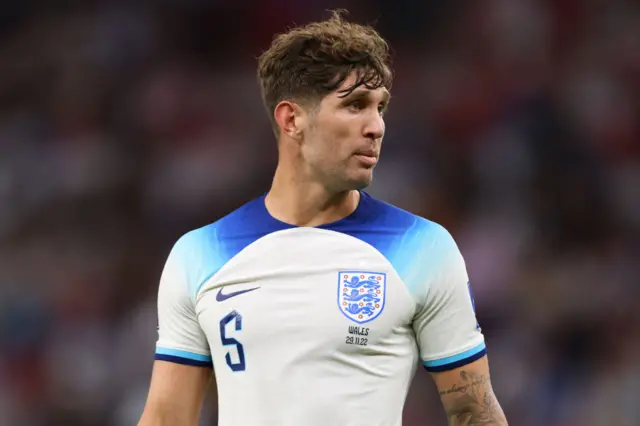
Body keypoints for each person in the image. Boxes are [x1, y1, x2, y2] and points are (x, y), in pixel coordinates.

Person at [138, 10, 508, 426]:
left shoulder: (424, 248)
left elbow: (473, 412)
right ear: (292, 119)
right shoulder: (199, 254)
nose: (376, 127)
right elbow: (168, 417)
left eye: (380, 108)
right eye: (354, 106)